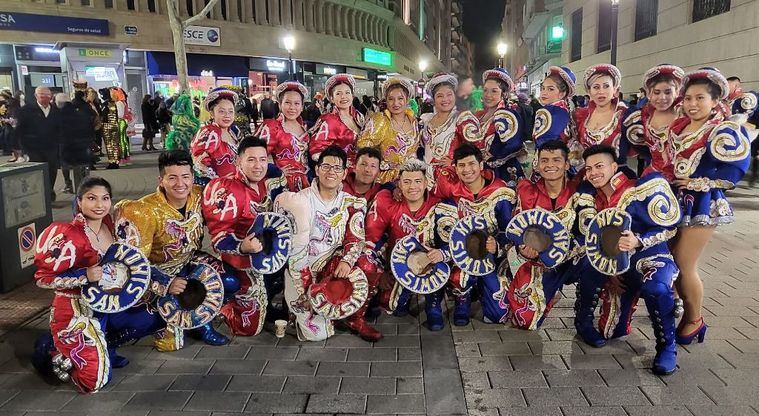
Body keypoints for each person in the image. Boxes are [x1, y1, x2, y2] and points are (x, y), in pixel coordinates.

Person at [574, 144, 681, 375]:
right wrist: (608, 269)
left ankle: (667, 347)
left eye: (599, 166)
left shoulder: (638, 190)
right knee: (611, 331)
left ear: (614, 166)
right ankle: (582, 323)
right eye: (589, 168)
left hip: (650, 259)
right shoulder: (592, 199)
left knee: (657, 289)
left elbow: (670, 228)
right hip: (617, 268)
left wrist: (639, 240)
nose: (593, 173)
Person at [114, 150, 233, 348]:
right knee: (168, 341)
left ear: (192, 177)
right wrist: (166, 282)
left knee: (229, 281)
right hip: (160, 272)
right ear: (161, 180)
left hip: (192, 260)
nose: (180, 184)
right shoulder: (143, 210)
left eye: (185, 177)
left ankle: (202, 323)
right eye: (172, 178)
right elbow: (133, 263)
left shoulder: (200, 194)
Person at [667, 68, 751, 346]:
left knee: (684, 262)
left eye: (700, 98)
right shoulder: (679, 127)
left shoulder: (723, 129)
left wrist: (702, 181)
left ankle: (694, 319)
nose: (692, 104)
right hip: (674, 201)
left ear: (715, 100)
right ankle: (678, 309)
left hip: (703, 203)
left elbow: (737, 167)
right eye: (688, 98)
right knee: (671, 261)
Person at [31, 177, 121, 392]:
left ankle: (106, 348)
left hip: (107, 305)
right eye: (92, 198)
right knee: (94, 382)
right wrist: (84, 275)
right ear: (79, 202)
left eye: (105, 198)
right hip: (74, 310)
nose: (99, 205)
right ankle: (53, 352)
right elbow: (43, 279)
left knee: (149, 317)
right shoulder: (68, 234)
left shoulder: (113, 227)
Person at [276, 145, 367, 341]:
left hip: (332, 268)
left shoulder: (352, 203)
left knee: (365, 263)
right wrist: (304, 285)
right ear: (317, 169)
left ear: (344, 173)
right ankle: (295, 306)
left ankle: (350, 316)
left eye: (337, 168)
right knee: (316, 334)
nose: (331, 172)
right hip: (300, 267)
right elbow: (292, 249)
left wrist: (346, 261)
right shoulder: (299, 200)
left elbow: (355, 238)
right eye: (326, 166)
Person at [202, 137, 288, 337]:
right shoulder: (227, 189)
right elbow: (218, 239)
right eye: (251, 160)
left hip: (270, 255)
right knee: (248, 328)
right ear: (237, 161)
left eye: (262, 159)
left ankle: (265, 299)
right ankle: (223, 303)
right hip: (241, 261)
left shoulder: (272, 178)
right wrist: (242, 246)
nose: (258, 166)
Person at [360, 159, 457, 332]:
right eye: (407, 182)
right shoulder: (386, 202)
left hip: (431, 267)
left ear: (426, 183)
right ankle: (401, 295)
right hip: (399, 266)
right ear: (399, 184)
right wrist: (379, 274)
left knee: (436, 318)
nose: (413, 187)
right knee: (392, 305)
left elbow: (452, 244)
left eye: (418, 181)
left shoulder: (441, 206)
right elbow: (371, 241)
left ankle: (433, 303)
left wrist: (442, 254)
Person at [508, 140, 590, 330]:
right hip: (539, 262)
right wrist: (523, 249)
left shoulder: (580, 190)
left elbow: (587, 233)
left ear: (567, 164)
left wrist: (566, 252)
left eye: (556, 160)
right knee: (525, 321)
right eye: (544, 160)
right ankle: (551, 292)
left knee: (593, 266)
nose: (550, 165)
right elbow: (517, 230)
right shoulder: (527, 190)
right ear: (536, 164)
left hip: (574, 259)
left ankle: (585, 312)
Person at [432, 143, 515, 325]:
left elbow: (508, 230)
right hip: (461, 253)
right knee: (459, 277)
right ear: (455, 168)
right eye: (461, 165)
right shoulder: (450, 190)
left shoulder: (500, 192)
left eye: (471, 164)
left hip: (491, 257)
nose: (467, 170)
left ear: (481, 165)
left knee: (498, 314)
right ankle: (463, 297)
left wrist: (497, 247)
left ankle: (484, 287)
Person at [623, 64, 685, 179]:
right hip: (653, 177)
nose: (662, 97)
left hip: (683, 177)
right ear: (649, 94)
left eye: (667, 92)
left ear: (677, 92)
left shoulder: (686, 115)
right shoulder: (643, 117)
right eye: (656, 92)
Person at [419, 72, 481, 186]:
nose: (445, 99)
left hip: (451, 180)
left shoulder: (462, 119)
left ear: (454, 96)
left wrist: (455, 162)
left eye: (449, 94)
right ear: (433, 99)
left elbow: (476, 150)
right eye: (440, 96)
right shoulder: (426, 121)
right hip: (427, 180)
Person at [357, 76, 421, 183]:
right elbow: (363, 146)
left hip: (411, 178)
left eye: (400, 98)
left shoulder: (413, 121)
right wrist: (382, 163)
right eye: (391, 99)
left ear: (407, 99)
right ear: (386, 100)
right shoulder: (380, 120)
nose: (396, 103)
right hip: (386, 180)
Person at [570, 64, 629, 169]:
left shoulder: (625, 116)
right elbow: (575, 147)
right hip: (587, 176)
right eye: (596, 87)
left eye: (606, 86)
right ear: (589, 91)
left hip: (617, 179)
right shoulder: (580, 116)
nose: (601, 91)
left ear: (615, 90)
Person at [256, 81, 310, 191]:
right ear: (280, 105)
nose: (292, 107)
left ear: (302, 106)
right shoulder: (272, 127)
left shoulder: (306, 127)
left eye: (297, 103)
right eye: (287, 103)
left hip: (306, 183)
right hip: (283, 184)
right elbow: (255, 154)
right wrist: (275, 171)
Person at [475, 68, 525, 186]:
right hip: (478, 172)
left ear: (504, 93)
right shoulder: (480, 115)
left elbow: (513, 145)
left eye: (494, 91)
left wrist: (491, 160)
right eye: (485, 90)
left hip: (502, 174)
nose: (488, 95)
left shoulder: (506, 115)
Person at [16, 86, 60, 198]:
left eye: (48, 95)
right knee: (38, 172)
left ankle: (49, 191)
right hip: (33, 148)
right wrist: (22, 148)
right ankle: (40, 195)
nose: (46, 98)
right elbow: (20, 130)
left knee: (52, 170)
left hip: (51, 147)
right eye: (42, 95)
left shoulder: (56, 110)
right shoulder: (26, 110)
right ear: (36, 96)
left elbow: (61, 128)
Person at [190, 87, 242, 184]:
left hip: (236, 186)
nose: (227, 115)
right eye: (221, 111)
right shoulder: (209, 133)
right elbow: (199, 164)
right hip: (216, 190)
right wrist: (219, 184)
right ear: (212, 114)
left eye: (231, 111)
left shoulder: (234, 132)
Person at [310, 74, 364, 165]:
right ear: (331, 98)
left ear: (352, 95)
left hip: (362, 171)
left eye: (347, 92)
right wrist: (339, 164)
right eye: (338, 93)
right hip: (341, 174)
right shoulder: (328, 121)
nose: (343, 97)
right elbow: (316, 152)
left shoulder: (359, 116)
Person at [57, 91, 96, 193]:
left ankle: (68, 185)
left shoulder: (57, 115)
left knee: (65, 166)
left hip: (65, 144)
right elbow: (90, 124)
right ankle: (84, 187)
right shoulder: (81, 111)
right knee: (81, 166)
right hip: (81, 145)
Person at [532, 66, 577, 148]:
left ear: (562, 94)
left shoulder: (551, 111)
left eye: (550, 89)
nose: (544, 93)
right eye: (543, 88)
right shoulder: (564, 110)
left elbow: (545, 144)